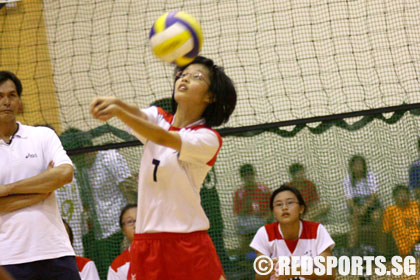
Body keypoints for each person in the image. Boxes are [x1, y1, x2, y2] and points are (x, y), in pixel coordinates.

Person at [90, 56, 237, 280]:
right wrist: (116, 102)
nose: (185, 79)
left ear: (211, 96)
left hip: (187, 242)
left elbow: (161, 136)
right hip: (146, 243)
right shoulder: (159, 117)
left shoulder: (208, 137)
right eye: (182, 74)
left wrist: (118, 111)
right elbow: (139, 116)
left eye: (196, 76)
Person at [0, 71, 79, 280]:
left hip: (56, 251)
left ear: (19, 101)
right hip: (8, 258)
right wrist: (41, 188)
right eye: (0, 96)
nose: (6, 102)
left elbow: (64, 173)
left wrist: (7, 189)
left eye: (12, 95)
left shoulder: (42, 135)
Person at [59, 127, 136, 280]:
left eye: (77, 158)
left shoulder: (110, 158)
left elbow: (131, 197)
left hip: (117, 231)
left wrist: (128, 235)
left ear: (87, 149)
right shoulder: (80, 169)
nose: (76, 162)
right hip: (99, 234)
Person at [250, 184, 335, 280]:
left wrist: (296, 271)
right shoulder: (264, 233)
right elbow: (259, 277)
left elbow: (330, 274)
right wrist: (268, 269)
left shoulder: (317, 230)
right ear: (273, 213)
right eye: (278, 204)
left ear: (301, 209)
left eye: (290, 203)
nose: (284, 208)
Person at [343, 155, 383, 253]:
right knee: (354, 220)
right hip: (357, 206)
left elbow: (374, 196)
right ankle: (350, 251)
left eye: (360, 164)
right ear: (351, 167)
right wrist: (356, 209)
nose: (358, 167)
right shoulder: (348, 180)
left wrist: (364, 207)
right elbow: (349, 199)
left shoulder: (370, 176)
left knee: (377, 217)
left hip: (371, 205)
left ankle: (380, 251)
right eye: (355, 165)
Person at [233, 163, 271, 257]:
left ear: (254, 175)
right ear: (242, 178)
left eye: (250, 175)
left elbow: (272, 207)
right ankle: (245, 257)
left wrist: (267, 217)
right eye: (245, 176)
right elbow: (238, 213)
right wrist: (246, 204)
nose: (248, 179)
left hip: (263, 219)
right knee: (243, 229)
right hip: (248, 221)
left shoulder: (263, 189)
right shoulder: (240, 193)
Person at [383, 185, 420, 256]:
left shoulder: (415, 205)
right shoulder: (390, 211)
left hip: (417, 241)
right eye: (400, 195)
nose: (403, 197)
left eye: (405, 194)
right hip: (404, 248)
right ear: (394, 197)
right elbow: (386, 232)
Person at [107, 204, 137, 280]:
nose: (136, 225)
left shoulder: (165, 252)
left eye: (140, 219)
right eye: (130, 221)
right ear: (123, 230)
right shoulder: (117, 267)